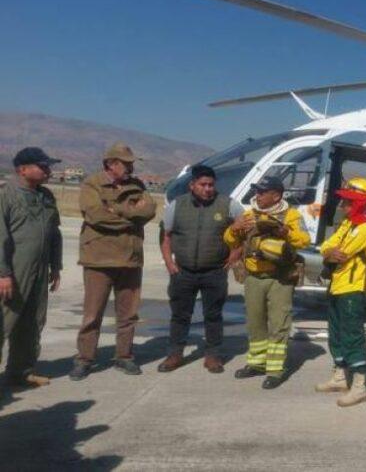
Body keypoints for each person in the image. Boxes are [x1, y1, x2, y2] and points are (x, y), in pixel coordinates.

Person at [71, 143, 157, 381]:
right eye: (125, 163)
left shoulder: (137, 185)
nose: (130, 167)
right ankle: (85, 359)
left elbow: (149, 211)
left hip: (129, 259)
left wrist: (116, 210)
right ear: (110, 163)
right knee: (92, 314)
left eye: (131, 163)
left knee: (128, 314)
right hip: (99, 259)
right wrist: (130, 215)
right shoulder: (92, 184)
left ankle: (124, 356)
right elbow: (95, 215)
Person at [224, 175, 310, 389]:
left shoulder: (291, 215)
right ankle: (256, 363)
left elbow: (304, 240)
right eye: (257, 192)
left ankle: (275, 370)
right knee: (255, 322)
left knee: (279, 324)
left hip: (279, 278)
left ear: (276, 195)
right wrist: (234, 228)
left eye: (262, 192)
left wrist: (285, 233)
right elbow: (230, 240)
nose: (258, 196)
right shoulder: (249, 214)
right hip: (254, 278)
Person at [158, 165, 244, 374]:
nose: (208, 189)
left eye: (211, 185)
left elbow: (245, 230)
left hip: (214, 272)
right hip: (183, 272)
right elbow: (165, 236)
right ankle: (175, 354)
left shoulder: (229, 205)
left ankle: (213, 355)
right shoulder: (177, 206)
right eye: (203, 185)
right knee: (180, 315)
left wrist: (236, 254)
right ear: (192, 185)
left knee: (213, 315)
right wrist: (170, 263)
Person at [314, 177, 366, 407]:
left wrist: (331, 251)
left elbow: (343, 251)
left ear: (360, 203)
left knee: (352, 334)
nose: (342, 206)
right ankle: (340, 377)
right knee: (336, 332)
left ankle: (360, 385)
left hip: (352, 288)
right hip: (336, 285)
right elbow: (326, 246)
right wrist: (328, 252)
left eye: (348, 202)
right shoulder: (347, 224)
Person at [0, 148, 63, 388]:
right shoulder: (6, 196)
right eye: (42, 166)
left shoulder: (46, 197)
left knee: (32, 322)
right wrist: (3, 273)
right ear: (22, 169)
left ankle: (20, 371)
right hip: (13, 272)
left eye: (48, 166)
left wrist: (56, 266)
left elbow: (54, 234)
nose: (48, 170)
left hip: (38, 272)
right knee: (3, 322)